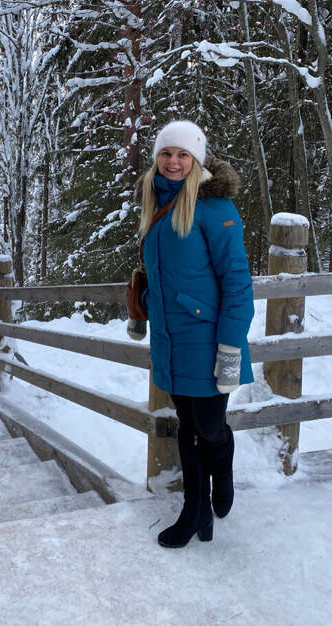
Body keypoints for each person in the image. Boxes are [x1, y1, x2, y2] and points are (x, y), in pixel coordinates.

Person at [130, 120, 254, 548]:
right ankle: (195, 508)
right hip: (170, 339)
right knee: (188, 425)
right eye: (166, 153)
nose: (174, 162)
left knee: (210, 427)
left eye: (183, 154)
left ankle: (222, 478)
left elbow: (238, 285)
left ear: (197, 159)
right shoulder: (154, 201)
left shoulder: (215, 208)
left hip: (209, 341)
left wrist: (230, 352)